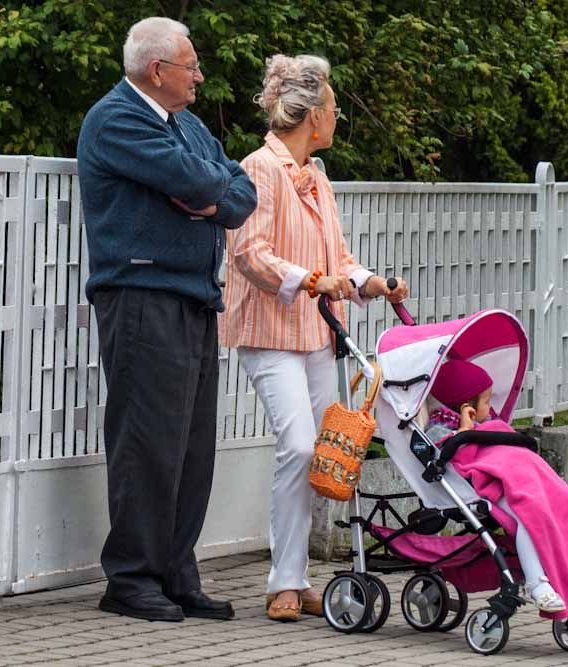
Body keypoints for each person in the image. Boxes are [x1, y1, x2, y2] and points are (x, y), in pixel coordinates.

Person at [77, 17, 257, 623]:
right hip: (140, 291)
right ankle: (130, 578)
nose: (200, 76)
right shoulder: (116, 119)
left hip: (190, 295)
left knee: (190, 446)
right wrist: (211, 191)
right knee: (147, 442)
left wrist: (211, 197)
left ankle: (177, 572)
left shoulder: (191, 125)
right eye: (192, 66)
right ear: (158, 71)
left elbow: (240, 192)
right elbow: (198, 178)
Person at [219, 54, 408, 622]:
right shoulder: (260, 168)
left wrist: (366, 282)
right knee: (299, 444)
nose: (336, 117)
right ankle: (283, 579)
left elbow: (337, 259)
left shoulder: (318, 178)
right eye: (332, 108)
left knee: (326, 452)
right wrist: (309, 280)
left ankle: (296, 576)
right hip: (270, 331)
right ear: (310, 115)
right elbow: (248, 252)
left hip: (317, 334)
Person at [423, 358, 568, 613]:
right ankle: (536, 584)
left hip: (521, 477)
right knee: (530, 517)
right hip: (491, 485)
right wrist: (464, 431)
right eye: (486, 401)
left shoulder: (489, 426)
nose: (491, 408)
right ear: (466, 407)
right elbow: (453, 455)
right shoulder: (441, 426)